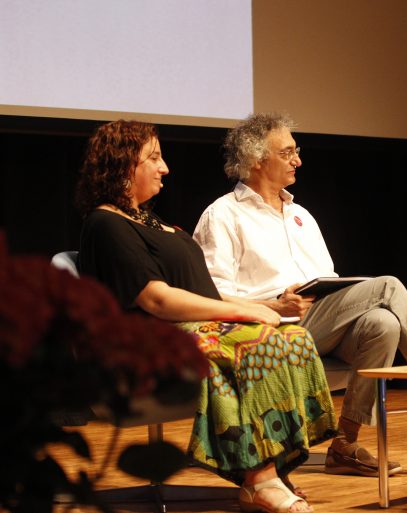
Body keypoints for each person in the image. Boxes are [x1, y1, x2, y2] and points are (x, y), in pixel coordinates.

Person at [192, 112, 407, 476]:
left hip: (319, 319)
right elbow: (213, 296)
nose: (299, 160)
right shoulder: (223, 215)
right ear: (256, 160)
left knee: (382, 324)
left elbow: (328, 278)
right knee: (388, 285)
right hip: (272, 327)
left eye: (297, 151)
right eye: (288, 153)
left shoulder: (301, 215)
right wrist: (273, 304)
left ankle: (345, 444)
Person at [76, 120, 336, 513]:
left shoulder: (158, 223)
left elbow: (206, 293)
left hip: (201, 327)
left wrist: (262, 308)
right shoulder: (106, 223)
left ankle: (277, 464)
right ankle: (258, 477)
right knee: (249, 343)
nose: (165, 168)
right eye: (154, 158)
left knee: (293, 338)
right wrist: (243, 310)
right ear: (122, 165)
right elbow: (156, 300)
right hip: (149, 341)